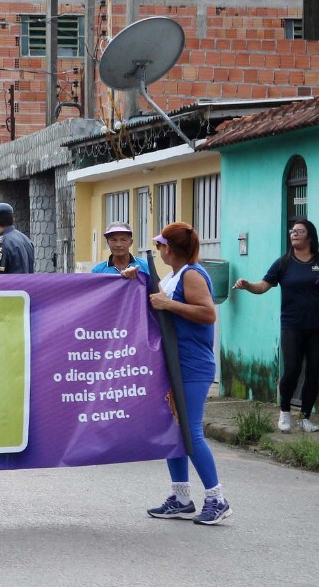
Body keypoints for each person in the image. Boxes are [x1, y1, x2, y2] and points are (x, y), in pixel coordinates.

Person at [140, 222, 231, 525]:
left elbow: (207, 313)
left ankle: (217, 499)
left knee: (191, 432)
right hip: (174, 363)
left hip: (192, 365)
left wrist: (170, 304)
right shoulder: (175, 274)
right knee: (173, 430)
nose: (158, 249)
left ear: (170, 248)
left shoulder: (192, 274)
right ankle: (181, 498)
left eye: (161, 245)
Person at [232, 219, 319, 433]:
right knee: (291, 370)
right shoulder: (283, 263)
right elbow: (263, 285)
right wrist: (248, 285)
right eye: (292, 231)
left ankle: (306, 417)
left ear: (310, 236)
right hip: (292, 327)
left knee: (315, 372)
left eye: (299, 231)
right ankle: (285, 412)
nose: (294, 234)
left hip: (316, 327)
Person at [0, 202, 33, 274]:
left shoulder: (1, 243)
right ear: (13, 220)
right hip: (27, 284)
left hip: (12, 285)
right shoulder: (24, 238)